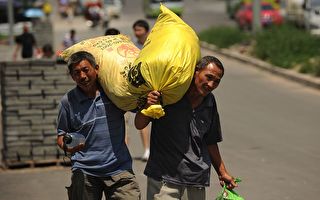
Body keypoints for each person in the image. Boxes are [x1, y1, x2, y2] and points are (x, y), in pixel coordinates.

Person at [134, 56, 237, 200]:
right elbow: (139, 124)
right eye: (209, 77)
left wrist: (222, 172)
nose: (211, 84)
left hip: (195, 180)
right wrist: (148, 105)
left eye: (216, 81)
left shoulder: (209, 102)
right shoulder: (170, 94)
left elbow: (210, 140)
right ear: (196, 71)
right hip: (164, 178)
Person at [56, 51, 141, 200]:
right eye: (76, 73)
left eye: (86, 70)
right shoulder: (68, 102)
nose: (82, 76)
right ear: (72, 76)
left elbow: (138, 107)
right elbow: (61, 135)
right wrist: (68, 146)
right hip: (85, 172)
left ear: (96, 68)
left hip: (119, 170)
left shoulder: (113, 93)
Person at [132, 19, 151, 161]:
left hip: (156, 85)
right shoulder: (133, 47)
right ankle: (147, 149)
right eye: (135, 30)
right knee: (143, 115)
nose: (137, 33)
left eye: (139, 30)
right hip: (141, 87)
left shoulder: (153, 43)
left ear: (146, 30)